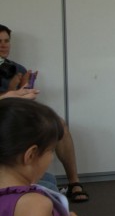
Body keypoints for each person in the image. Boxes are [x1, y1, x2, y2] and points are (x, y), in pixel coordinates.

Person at [0, 24, 89, 203]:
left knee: (57, 124)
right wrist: (11, 91)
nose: (4, 45)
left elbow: (21, 105)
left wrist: (25, 90)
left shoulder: (17, 69)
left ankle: (74, 183)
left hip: (14, 118)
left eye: (6, 41)